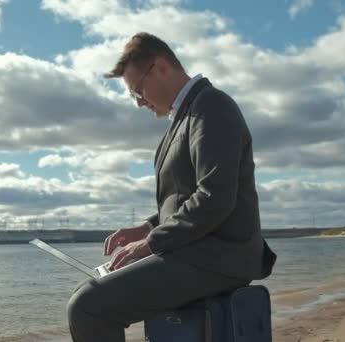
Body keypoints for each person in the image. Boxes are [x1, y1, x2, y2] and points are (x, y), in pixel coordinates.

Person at [66, 32, 276, 342]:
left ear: (161, 66)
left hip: (219, 256)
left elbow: (214, 197)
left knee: (88, 306)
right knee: (88, 291)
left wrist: (150, 243)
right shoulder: (184, 117)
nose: (139, 102)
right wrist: (146, 227)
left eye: (138, 90)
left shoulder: (212, 106)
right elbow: (184, 200)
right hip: (197, 250)